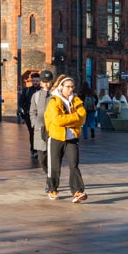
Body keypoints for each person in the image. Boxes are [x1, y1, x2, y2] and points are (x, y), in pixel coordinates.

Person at [45, 75, 87, 203]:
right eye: (68, 87)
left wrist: (70, 120)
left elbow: (82, 117)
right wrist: (74, 118)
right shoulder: (54, 101)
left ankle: (77, 191)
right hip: (56, 137)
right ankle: (52, 188)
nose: (70, 89)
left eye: (72, 87)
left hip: (72, 137)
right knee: (54, 165)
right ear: (61, 87)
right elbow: (57, 120)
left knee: (74, 165)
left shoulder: (76, 101)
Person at [29, 70, 55, 180]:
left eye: (48, 81)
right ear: (41, 82)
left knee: (53, 158)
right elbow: (32, 111)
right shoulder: (36, 96)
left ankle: (52, 181)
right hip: (40, 130)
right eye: (44, 81)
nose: (46, 84)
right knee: (42, 158)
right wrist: (34, 123)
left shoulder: (56, 95)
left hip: (54, 129)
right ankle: (50, 176)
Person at [21, 73, 42, 158]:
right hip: (30, 116)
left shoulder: (43, 91)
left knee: (41, 133)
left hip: (41, 115)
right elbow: (21, 102)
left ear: (40, 81)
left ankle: (40, 149)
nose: (35, 82)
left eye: (37, 81)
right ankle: (34, 150)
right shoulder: (27, 90)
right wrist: (27, 110)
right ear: (31, 81)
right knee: (32, 133)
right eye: (34, 81)